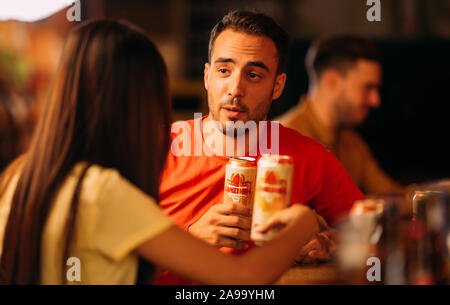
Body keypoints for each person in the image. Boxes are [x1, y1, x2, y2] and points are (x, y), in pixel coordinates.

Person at [0, 19, 319, 285]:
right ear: (137, 105)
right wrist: (304, 223)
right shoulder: (102, 192)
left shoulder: (20, 175)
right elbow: (243, 276)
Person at [156, 10, 365, 284]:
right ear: (207, 76)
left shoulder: (307, 157)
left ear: (277, 86)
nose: (235, 88)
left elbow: (369, 229)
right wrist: (190, 240)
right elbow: (106, 262)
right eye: (223, 71)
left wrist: (331, 242)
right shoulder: (157, 149)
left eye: (253, 75)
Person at [276, 35, 404, 196]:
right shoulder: (283, 139)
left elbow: (391, 195)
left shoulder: (351, 141)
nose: (375, 100)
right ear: (332, 81)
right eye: (367, 88)